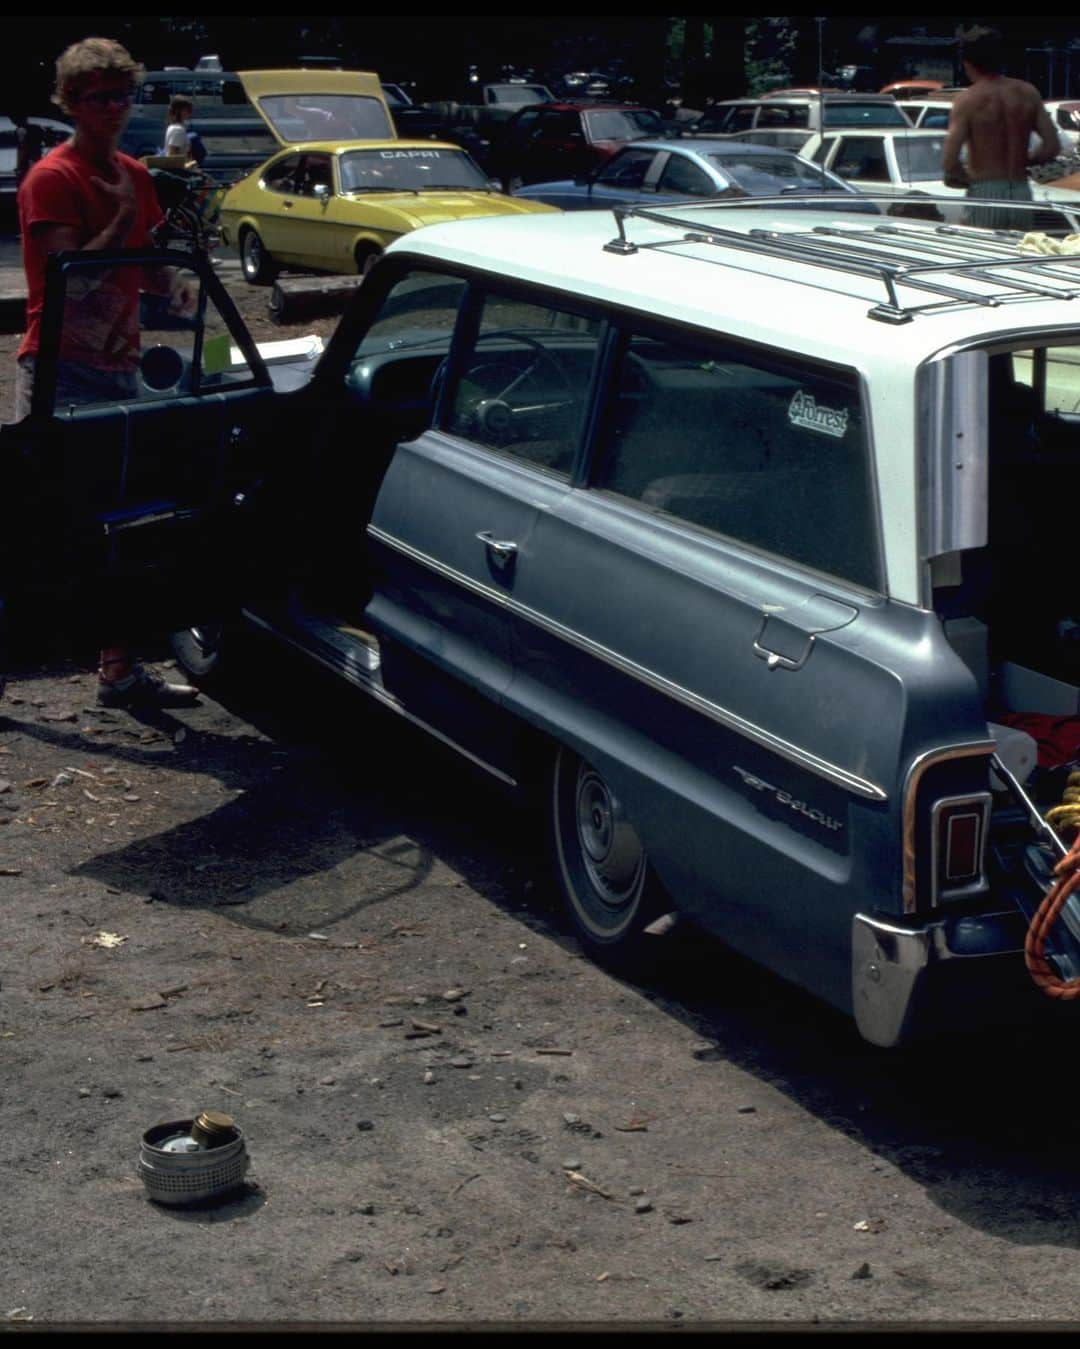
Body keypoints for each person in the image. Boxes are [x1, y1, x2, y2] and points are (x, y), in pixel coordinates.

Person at [14, 36, 200, 710]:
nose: (115, 108)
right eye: (99, 98)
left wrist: (173, 280)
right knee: (37, 522)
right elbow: (75, 283)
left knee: (121, 525)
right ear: (71, 103)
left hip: (119, 368)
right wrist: (120, 216)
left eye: (122, 94)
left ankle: (117, 671)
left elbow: (142, 264)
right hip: (61, 369)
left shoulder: (135, 172)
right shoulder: (53, 178)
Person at [942, 24, 1062, 231]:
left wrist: (965, 178)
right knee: (1017, 257)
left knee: (982, 257)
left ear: (967, 63)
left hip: (985, 190)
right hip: (1020, 191)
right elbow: (1052, 145)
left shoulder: (968, 100)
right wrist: (1025, 160)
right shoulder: (1028, 93)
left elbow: (949, 161)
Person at [161, 92, 195, 164]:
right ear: (178, 111)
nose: (190, 112)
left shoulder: (173, 127)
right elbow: (173, 157)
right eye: (187, 109)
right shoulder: (177, 130)